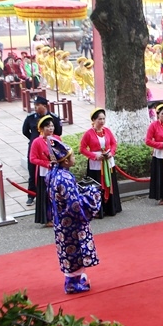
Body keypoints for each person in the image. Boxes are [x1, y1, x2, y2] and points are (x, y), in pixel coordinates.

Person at [46, 139, 102, 294]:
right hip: (71, 222)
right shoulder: (65, 178)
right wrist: (92, 196)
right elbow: (75, 204)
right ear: (65, 160)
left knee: (66, 250)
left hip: (60, 220)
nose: (74, 158)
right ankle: (72, 283)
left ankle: (73, 279)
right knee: (75, 250)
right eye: (72, 156)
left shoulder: (53, 174)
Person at [79, 108, 122, 217]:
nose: (102, 121)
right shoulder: (88, 134)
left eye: (103, 119)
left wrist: (111, 153)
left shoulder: (107, 131)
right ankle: (98, 210)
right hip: (96, 164)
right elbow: (82, 149)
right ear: (93, 120)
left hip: (108, 161)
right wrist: (94, 156)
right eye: (99, 119)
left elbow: (113, 144)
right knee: (98, 186)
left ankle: (111, 207)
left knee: (110, 184)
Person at [22, 96, 62, 206]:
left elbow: (58, 132)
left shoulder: (54, 117)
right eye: (34, 105)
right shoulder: (30, 118)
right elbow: (25, 131)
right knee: (32, 172)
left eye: (37, 105)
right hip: (35, 148)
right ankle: (31, 195)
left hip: (50, 148)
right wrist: (35, 140)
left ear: (44, 106)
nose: (35, 107)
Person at [29, 115, 63, 226]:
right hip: (44, 172)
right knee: (46, 195)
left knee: (58, 193)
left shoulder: (57, 139)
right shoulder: (37, 142)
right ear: (42, 129)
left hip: (57, 170)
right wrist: (47, 163)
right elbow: (32, 159)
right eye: (48, 127)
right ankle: (48, 218)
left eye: (52, 126)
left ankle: (59, 215)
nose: (51, 128)